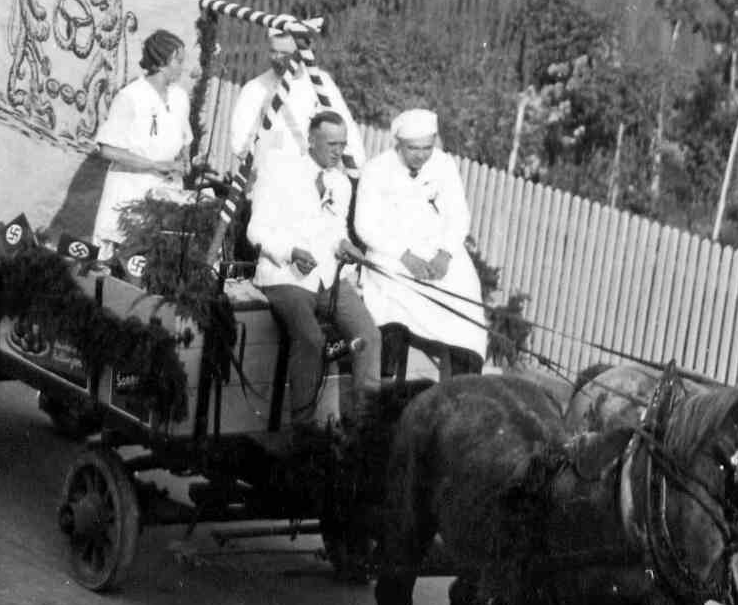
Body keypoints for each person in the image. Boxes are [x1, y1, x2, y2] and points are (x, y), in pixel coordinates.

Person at [222, 31, 370, 419]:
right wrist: (291, 252)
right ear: (312, 141)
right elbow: (256, 231)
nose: (341, 152)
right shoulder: (280, 170)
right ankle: (304, 426)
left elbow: (335, 230)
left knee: (367, 336)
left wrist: (345, 246)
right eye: (333, 146)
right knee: (310, 338)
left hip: (326, 276)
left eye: (342, 145)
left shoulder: (339, 182)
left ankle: (365, 425)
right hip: (284, 274)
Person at [350, 106, 489, 371]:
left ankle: (462, 383)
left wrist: (445, 254)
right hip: (392, 254)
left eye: (427, 147)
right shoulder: (377, 169)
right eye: (414, 149)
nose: (422, 155)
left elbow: (459, 215)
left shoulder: (444, 164)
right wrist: (405, 256)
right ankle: (387, 378)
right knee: (392, 302)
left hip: (439, 251)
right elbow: (364, 225)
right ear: (399, 144)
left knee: (466, 295)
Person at [90, 29, 194, 247]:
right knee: (122, 256)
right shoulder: (130, 96)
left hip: (167, 193)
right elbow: (107, 150)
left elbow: (185, 138)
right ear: (162, 61)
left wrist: (185, 160)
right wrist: (154, 165)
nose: (182, 67)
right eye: (178, 61)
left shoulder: (180, 96)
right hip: (130, 189)